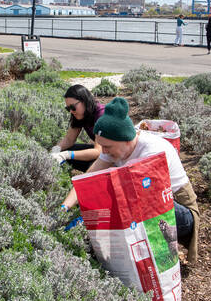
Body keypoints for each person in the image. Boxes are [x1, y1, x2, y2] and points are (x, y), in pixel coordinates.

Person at [60, 97, 200, 262]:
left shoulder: (152, 152)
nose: (103, 151)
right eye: (101, 145)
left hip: (180, 212)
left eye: (107, 147)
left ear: (126, 140)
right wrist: (64, 208)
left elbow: (131, 199)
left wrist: (88, 220)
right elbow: (87, 180)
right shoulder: (114, 146)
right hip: (147, 207)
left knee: (127, 202)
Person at [51, 84, 105, 172]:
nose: (71, 111)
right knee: (64, 150)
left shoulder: (101, 115)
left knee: (93, 165)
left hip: (118, 157)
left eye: (73, 107)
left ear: (84, 101)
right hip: (105, 153)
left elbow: (99, 151)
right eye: (68, 108)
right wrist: (55, 150)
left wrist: (67, 155)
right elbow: (69, 139)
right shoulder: (80, 114)